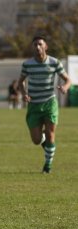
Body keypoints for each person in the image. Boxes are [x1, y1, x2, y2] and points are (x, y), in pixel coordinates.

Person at [17, 35, 71, 174]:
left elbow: (67, 79)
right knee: (36, 140)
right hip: (34, 104)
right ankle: (48, 146)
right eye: (35, 44)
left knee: (51, 133)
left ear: (45, 46)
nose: (37, 47)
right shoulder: (27, 64)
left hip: (49, 102)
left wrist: (65, 87)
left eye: (40, 44)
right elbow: (20, 82)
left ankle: (47, 166)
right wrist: (24, 94)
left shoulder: (54, 62)